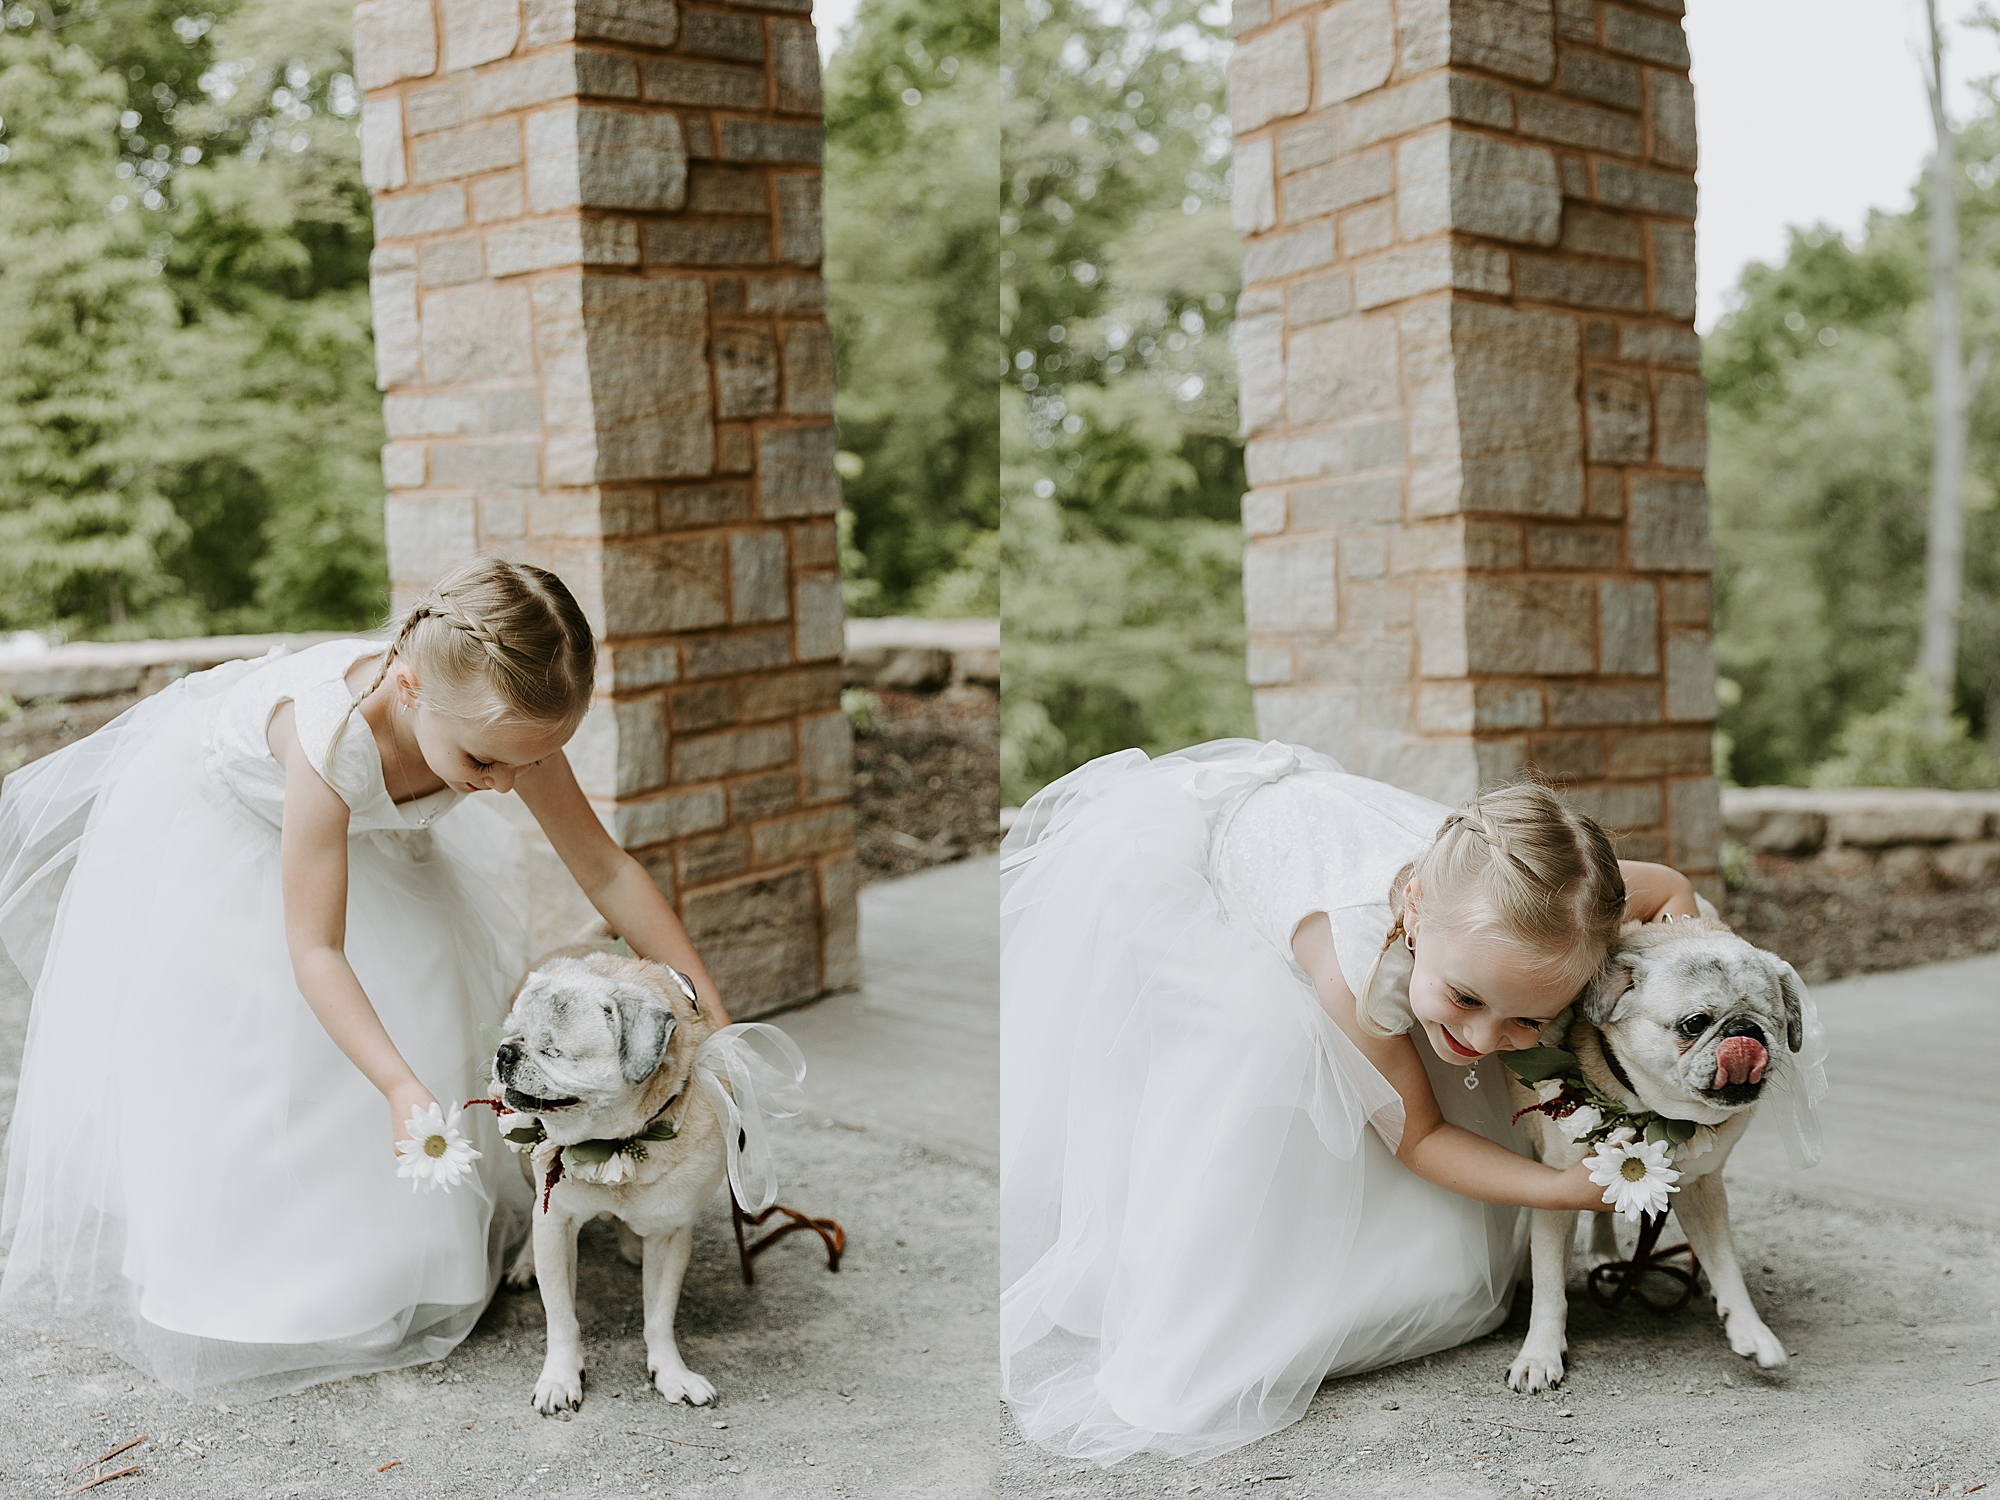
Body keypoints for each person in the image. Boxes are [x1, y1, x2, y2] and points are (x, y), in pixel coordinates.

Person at [0, 557, 727, 1400]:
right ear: (412, 689)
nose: (500, 787)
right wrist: (395, 1086)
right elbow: (315, 949)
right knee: (279, 1045)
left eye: (524, 766)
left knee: (424, 1002)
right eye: (484, 762)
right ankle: (262, 1263)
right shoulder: (329, 739)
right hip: (236, 830)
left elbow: (604, 870)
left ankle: (394, 1257)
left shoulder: (510, 730)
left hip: (369, 845)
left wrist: (703, 1003)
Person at [1000, 738, 1711, 1465]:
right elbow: (1420, 1137)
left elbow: (1673, 891)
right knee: (1270, 1050)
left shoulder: (1569, 903)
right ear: (1414, 909)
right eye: (1464, 997)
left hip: (1367, 842)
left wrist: (1675, 973)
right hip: (1223, 856)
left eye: (1527, 1018)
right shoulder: (1355, 967)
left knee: (1444, 1047)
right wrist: (1560, 1187)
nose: (1481, 1036)